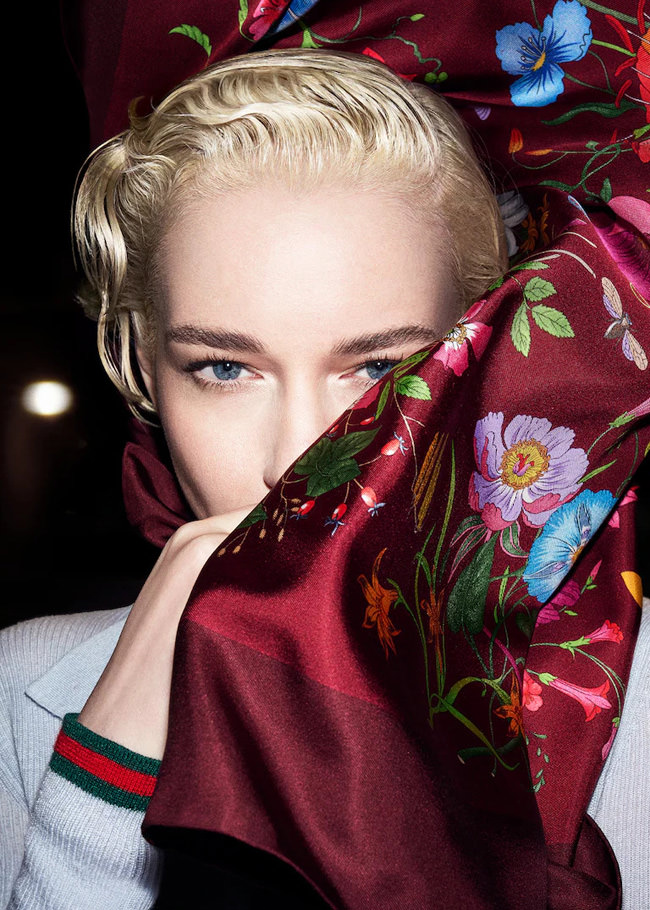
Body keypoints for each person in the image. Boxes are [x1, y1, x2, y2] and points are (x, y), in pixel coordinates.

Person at [0, 48, 509, 908]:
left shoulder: (626, 699)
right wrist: (99, 788)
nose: (295, 464)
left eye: (378, 370)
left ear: (477, 366)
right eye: (225, 369)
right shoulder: (24, 692)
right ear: (145, 369)